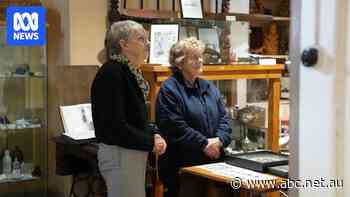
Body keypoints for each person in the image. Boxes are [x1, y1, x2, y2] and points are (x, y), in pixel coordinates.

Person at [91, 20, 167, 197]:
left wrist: (152, 133)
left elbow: (135, 118)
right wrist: (150, 142)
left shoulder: (128, 71)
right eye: (141, 39)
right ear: (123, 44)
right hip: (120, 154)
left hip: (129, 152)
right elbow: (114, 126)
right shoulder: (112, 72)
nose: (147, 43)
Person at [156, 37, 232, 197]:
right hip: (184, 167)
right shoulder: (169, 89)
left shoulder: (209, 87)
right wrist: (204, 144)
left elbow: (224, 121)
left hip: (214, 164)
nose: (200, 61)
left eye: (200, 56)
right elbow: (175, 127)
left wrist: (219, 141)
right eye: (194, 57)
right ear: (180, 62)